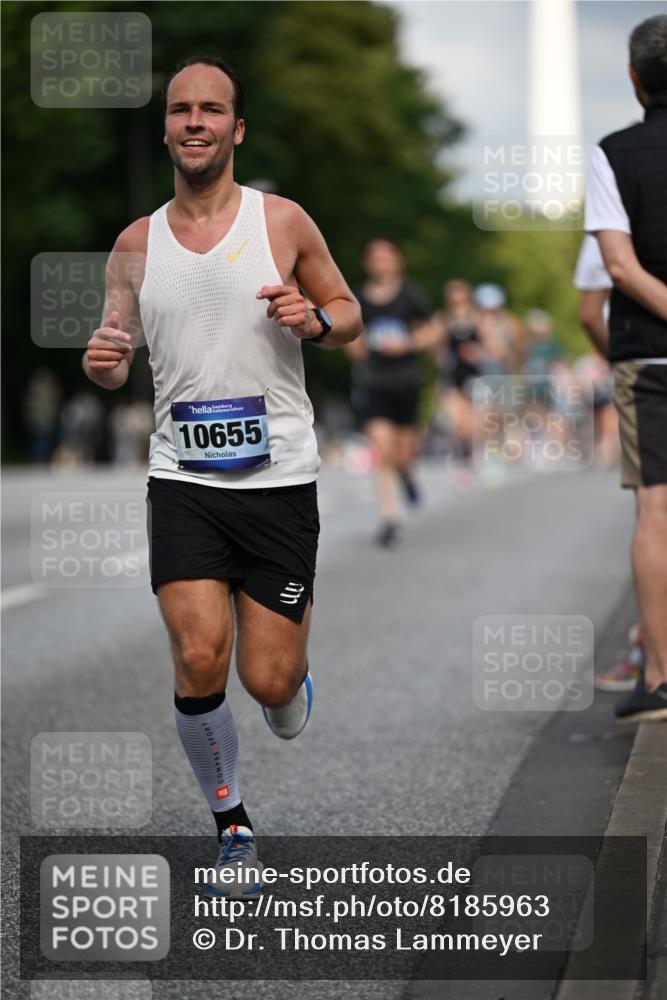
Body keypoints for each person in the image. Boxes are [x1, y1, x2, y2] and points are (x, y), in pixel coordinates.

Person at [83, 56, 361, 891]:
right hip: (184, 480)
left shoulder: (282, 222)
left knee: (265, 678)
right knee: (199, 653)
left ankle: (287, 681)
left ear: (236, 129)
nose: (194, 122)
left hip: (278, 480)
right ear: (165, 127)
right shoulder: (135, 244)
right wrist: (102, 364)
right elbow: (113, 349)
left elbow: (346, 313)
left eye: (211, 110)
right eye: (179, 110)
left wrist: (314, 320)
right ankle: (231, 823)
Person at [585, 15, 667, 722]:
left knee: (654, 508)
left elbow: (616, 265)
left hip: (647, 352)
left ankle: (660, 677)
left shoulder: (612, 152)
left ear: (635, 79)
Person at [346, 236, 435, 547]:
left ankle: (407, 474)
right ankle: (390, 519)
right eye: (375, 257)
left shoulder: (411, 295)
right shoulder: (358, 297)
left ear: (398, 260)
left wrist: (407, 344)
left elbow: (431, 332)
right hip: (374, 383)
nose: (380, 262)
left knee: (403, 453)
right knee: (382, 452)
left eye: (386, 256)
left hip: (407, 382)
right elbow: (349, 336)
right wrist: (354, 347)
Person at [432, 279, 485, 471]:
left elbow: (491, 345)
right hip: (451, 374)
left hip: (473, 375)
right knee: (455, 422)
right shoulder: (443, 319)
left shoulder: (478, 318)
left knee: (472, 422)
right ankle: (462, 456)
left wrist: (476, 352)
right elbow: (434, 346)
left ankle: (471, 456)